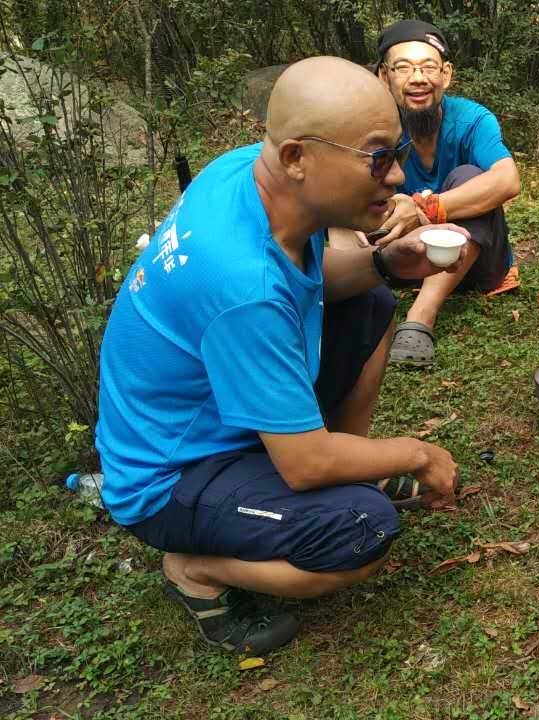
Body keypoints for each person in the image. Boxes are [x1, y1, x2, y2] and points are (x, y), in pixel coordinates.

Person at [95, 57, 463, 655]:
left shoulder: (243, 170)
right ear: (297, 158)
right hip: (169, 474)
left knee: (370, 302)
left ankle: (357, 472)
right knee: (362, 530)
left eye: (394, 152)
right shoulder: (242, 286)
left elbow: (319, 280)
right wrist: (416, 453)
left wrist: (382, 262)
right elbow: (304, 464)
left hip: (218, 408)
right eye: (377, 158)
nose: (395, 176)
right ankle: (196, 572)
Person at [332, 19, 522, 366]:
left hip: (475, 262)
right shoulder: (371, 127)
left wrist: (423, 209)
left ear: (446, 75)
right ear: (383, 77)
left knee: (470, 176)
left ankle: (420, 320)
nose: (417, 78)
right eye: (402, 68)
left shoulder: (472, 119)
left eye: (428, 67)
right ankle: (358, 293)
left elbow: (507, 180)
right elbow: (339, 190)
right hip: (401, 259)